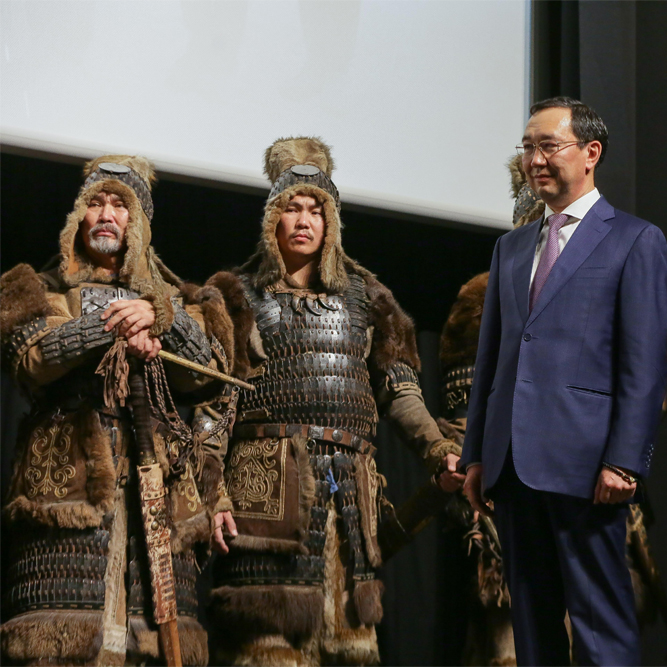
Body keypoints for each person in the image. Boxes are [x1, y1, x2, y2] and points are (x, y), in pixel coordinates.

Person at [205, 136, 463, 666]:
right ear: (272, 220)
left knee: (346, 648)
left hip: (346, 498)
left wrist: (438, 449)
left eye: (315, 210)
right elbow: (214, 405)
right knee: (264, 649)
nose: (304, 220)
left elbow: (401, 392)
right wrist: (213, 492)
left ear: (331, 223)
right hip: (265, 497)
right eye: (292, 208)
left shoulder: (369, 299)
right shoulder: (236, 295)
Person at [461, 98, 667, 666]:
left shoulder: (635, 239)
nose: (535, 159)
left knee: (601, 626)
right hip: (512, 465)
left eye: (548, 146)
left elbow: (646, 364)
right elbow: (492, 362)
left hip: (587, 465)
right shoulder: (510, 247)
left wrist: (624, 460)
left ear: (591, 152)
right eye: (528, 148)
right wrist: (476, 453)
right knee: (533, 632)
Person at [0, 156, 234, 666]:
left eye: (120, 205)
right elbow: (31, 359)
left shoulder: (178, 301)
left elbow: (211, 374)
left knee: (149, 650)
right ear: (77, 217)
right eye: (95, 203)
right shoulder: (38, 288)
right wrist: (116, 324)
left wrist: (160, 317)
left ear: (140, 222)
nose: (106, 215)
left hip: (156, 486)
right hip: (69, 482)